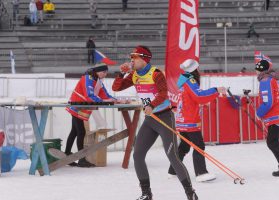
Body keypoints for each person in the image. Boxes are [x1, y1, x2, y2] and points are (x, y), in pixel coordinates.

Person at [112, 46, 198, 200]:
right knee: (137, 155)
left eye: (135, 57)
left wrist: (151, 105)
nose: (132, 59)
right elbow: (116, 87)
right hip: (150, 120)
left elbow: (163, 93)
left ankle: (190, 193)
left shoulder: (156, 74)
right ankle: (146, 193)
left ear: (144, 59)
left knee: (172, 156)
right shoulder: (134, 75)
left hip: (164, 117)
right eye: (131, 56)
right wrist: (121, 73)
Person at [167, 59, 226, 182]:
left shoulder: (183, 80)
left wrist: (202, 103)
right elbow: (199, 96)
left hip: (182, 118)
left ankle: (173, 170)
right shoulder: (190, 80)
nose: (199, 70)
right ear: (194, 69)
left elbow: (190, 99)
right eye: (198, 68)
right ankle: (201, 173)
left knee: (184, 146)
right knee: (199, 145)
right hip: (190, 120)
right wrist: (216, 90)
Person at [65, 63, 116, 167]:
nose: (105, 74)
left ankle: (67, 154)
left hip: (81, 107)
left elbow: (105, 94)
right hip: (77, 106)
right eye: (103, 72)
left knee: (74, 131)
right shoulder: (88, 78)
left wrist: (116, 100)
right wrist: (104, 101)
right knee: (80, 131)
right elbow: (90, 95)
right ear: (97, 71)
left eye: (106, 72)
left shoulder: (98, 80)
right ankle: (81, 159)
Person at [255, 59, 279, 177]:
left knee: (271, 142)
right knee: (273, 142)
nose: (256, 72)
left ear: (260, 70)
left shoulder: (265, 80)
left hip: (276, 115)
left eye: (257, 69)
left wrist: (259, 113)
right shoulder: (275, 79)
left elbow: (268, 102)